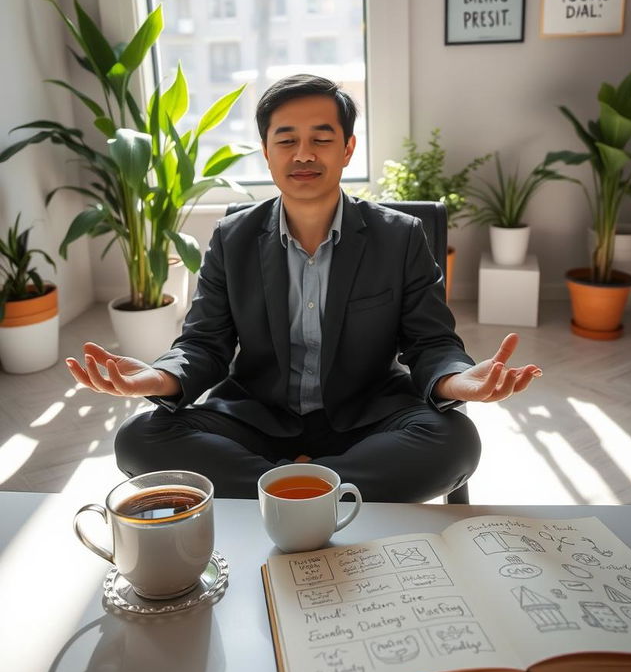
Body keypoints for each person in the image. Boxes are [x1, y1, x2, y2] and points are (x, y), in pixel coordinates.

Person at [66, 74, 542, 501]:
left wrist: (458, 380)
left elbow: (431, 342)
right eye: (287, 139)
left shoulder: (400, 236)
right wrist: (155, 378)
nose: (304, 154)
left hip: (367, 415)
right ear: (267, 149)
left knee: (455, 442)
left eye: (321, 138)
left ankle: (283, 490)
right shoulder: (232, 238)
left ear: (347, 148)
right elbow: (203, 344)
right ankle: (321, 490)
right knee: (137, 440)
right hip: (256, 416)